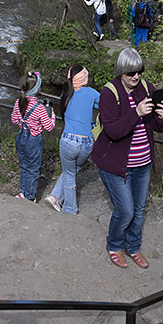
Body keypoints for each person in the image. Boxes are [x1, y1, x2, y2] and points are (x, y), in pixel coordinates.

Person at [93, 48, 163, 269]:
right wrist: (136, 113)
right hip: (115, 165)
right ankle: (115, 245)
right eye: (131, 73)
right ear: (121, 72)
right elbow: (113, 131)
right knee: (125, 210)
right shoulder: (109, 93)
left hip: (143, 162)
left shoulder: (147, 89)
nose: (136, 77)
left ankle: (133, 247)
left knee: (139, 209)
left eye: (139, 72)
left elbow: (158, 127)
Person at [48, 66, 99, 214]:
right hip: (87, 142)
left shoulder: (66, 93)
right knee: (72, 171)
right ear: (85, 78)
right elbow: (105, 105)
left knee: (69, 174)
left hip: (68, 141)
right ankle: (54, 197)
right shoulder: (91, 92)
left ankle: (70, 208)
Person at [11, 71, 56, 202]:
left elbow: (14, 120)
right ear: (37, 90)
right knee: (33, 169)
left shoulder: (18, 103)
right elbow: (49, 127)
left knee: (24, 166)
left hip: (21, 137)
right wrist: (52, 116)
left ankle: (23, 191)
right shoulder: (40, 108)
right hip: (33, 140)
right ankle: (30, 196)